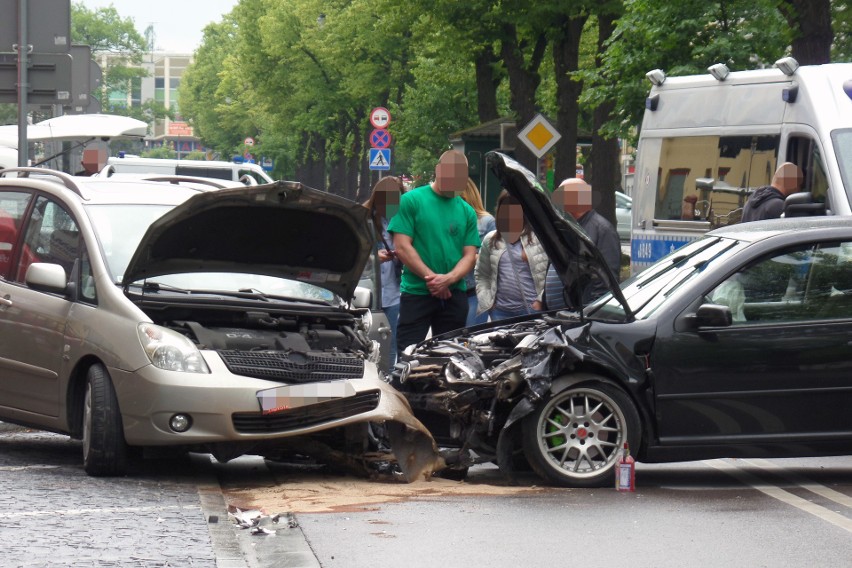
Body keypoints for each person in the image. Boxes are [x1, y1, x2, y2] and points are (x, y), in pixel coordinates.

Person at [388, 150, 480, 355]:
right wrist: (434, 280)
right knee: (408, 354)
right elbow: (402, 246)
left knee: (451, 358)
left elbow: (470, 255)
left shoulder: (467, 211)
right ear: (438, 171)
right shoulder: (410, 201)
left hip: (454, 294)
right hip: (417, 292)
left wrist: (449, 279)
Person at [543, 178, 621, 309]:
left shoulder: (603, 231)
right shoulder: (566, 227)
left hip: (581, 317)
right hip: (559, 315)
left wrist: (589, 313)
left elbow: (606, 283)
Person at [475, 190, 548, 321]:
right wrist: (488, 301)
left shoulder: (540, 238)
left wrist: (540, 301)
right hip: (500, 312)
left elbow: (553, 275)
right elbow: (482, 274)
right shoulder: (490, 239)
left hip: (532, 310)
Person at [364, 176, 405, 365]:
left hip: (393, 293)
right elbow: (353, 256)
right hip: (369, 294)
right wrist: (374, 259)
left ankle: (387, 379)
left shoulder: (401, 220)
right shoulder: (365, 219)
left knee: (391, 343)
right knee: (367, 342)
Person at [460, 177, 496, 326]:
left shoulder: (487, 221)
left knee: (469, 337)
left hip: (474, 290)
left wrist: (467, 256)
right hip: (451, 289)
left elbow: (493, 256)